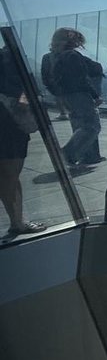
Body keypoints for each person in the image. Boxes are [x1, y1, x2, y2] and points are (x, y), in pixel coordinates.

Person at [0, 46, 47, 240]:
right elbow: (24, 87)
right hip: (7, 122)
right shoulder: (10, 55)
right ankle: (18, 222)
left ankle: (18, 221)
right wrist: (25, 107)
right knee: (9, 173)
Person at [50, 27, 105, 165]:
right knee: (91, 126)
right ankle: (68, 153)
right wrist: (95, 95)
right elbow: (82, 78)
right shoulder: (72, 56)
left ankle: (83, 155)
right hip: (80, 95)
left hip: (68, 95)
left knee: (80, 125)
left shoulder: (57, 56)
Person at [39, 47, 68, 120]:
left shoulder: (47, 56)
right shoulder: (65, 55)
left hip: (53, 80)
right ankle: (64, 112)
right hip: (61, 80)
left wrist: (45, 80)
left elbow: (44, 70)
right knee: (61, 96)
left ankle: (63, 113)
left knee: (58, 96)